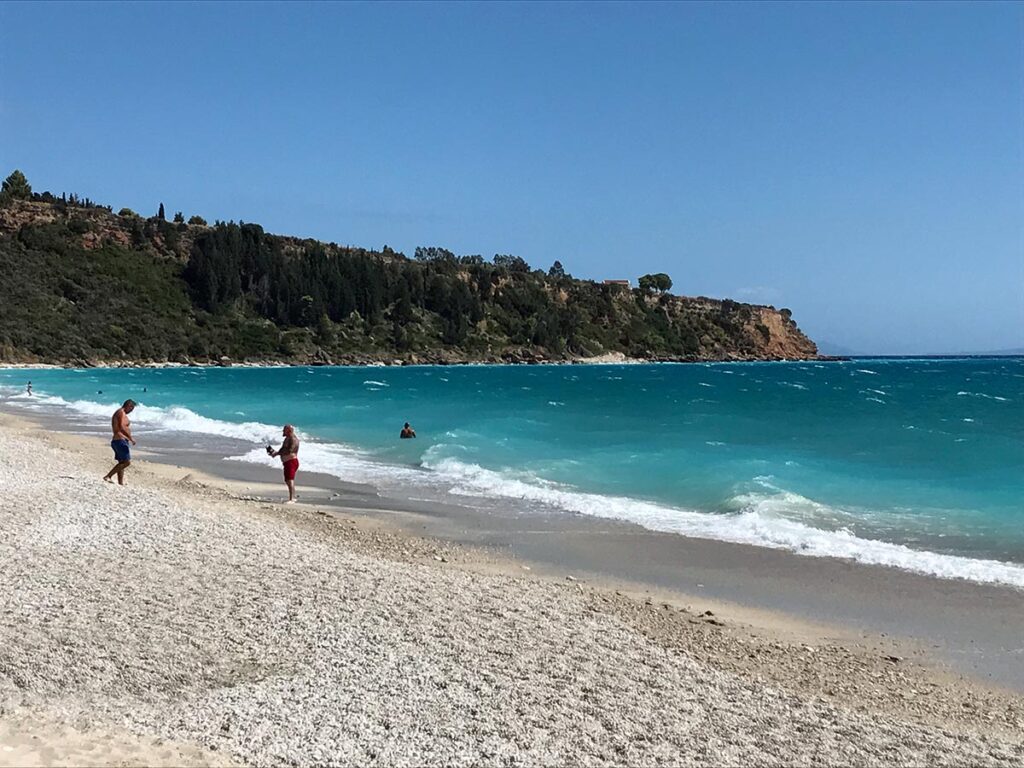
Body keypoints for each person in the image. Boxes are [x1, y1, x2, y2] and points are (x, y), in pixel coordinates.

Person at [103, 400, 137, 485]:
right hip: (120, 440)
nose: (131, 411)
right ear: (129, 406)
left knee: (122, 462)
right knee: (126, 462)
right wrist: (131, 438)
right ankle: (108, 476)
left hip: (119, 440)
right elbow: (122, 426)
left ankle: (120, 483)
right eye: (131, 409)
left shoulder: (121, 412)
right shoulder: (121, 412)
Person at [267, 424, 300, 503]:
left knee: (290, 480)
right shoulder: (287, 439)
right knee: (288, 480)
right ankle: (293, 497)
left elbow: (289, 451)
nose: (283, 431)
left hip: (291, 462)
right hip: (287, 462)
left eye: (284, 430)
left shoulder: (293, 439)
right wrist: (275, 453)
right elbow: (283, 449)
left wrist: (277, 453)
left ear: (289, 430)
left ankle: (292, 499)